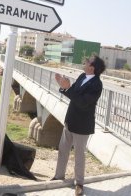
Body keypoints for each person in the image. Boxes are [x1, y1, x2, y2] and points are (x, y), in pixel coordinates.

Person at [51, 55, 106, 196]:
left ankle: (79, 183)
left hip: (82, 125)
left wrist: (68, 88)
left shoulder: (97, 85)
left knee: (79, 155)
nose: (84, 62)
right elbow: (73, 93)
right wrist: (64, 87)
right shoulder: (82, 76)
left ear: (92, 67)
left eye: (87, 62)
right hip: (70, 121)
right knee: (63, 150)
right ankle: (58, 176)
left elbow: (83, 103)